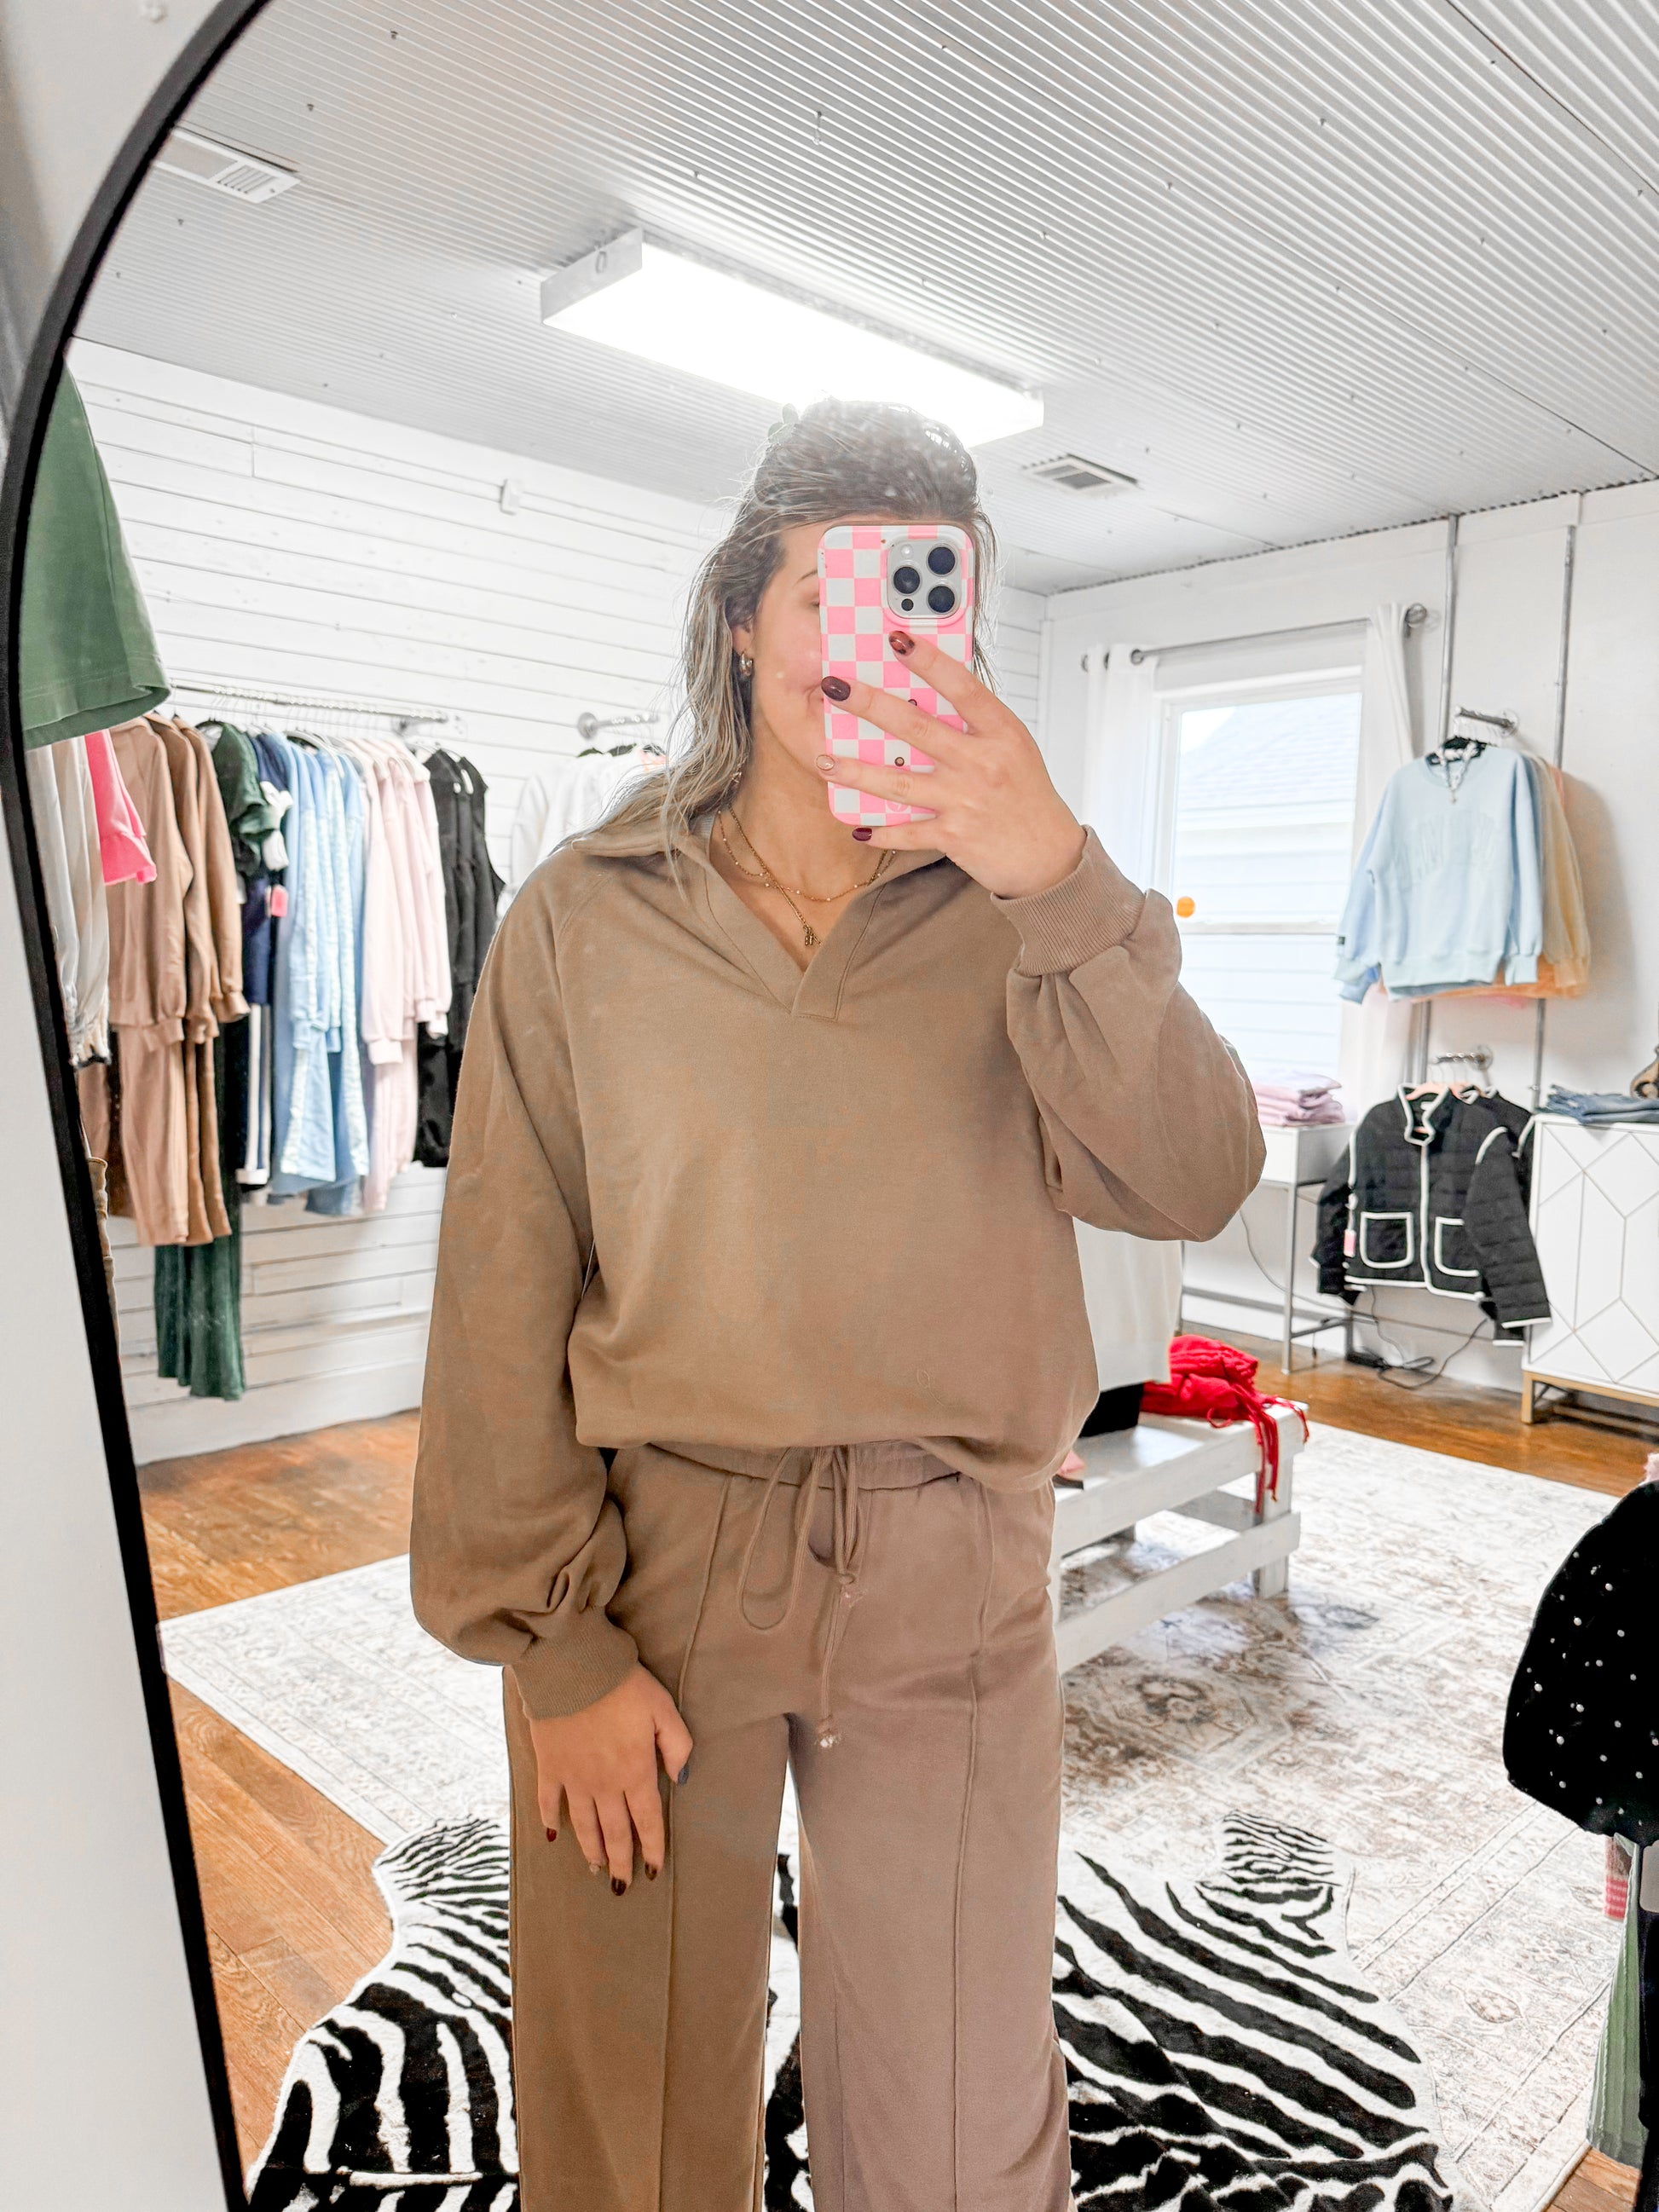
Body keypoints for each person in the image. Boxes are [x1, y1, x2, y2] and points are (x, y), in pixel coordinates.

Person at [409, 398, 1263, 2212]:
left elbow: (1193, 1175)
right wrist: (551, 1645)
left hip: (951, 1560)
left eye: (926, 597)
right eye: (832, 595)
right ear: (742, 617)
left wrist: (1060, 879)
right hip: (658, 1559)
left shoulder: (1033, 905)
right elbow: (501, 1281)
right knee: (626, 2116)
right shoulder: (583, 913)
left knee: (957, 2130)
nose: (875, 643)